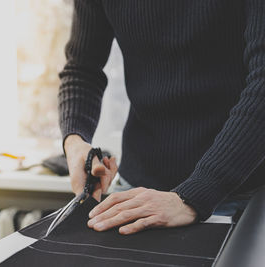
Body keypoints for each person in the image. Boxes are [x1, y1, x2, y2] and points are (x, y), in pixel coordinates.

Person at [58, 0, 265, 235]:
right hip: (139, 190)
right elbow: (82, 69)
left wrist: (193, 196)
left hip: (241, 195)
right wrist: (74, 141)